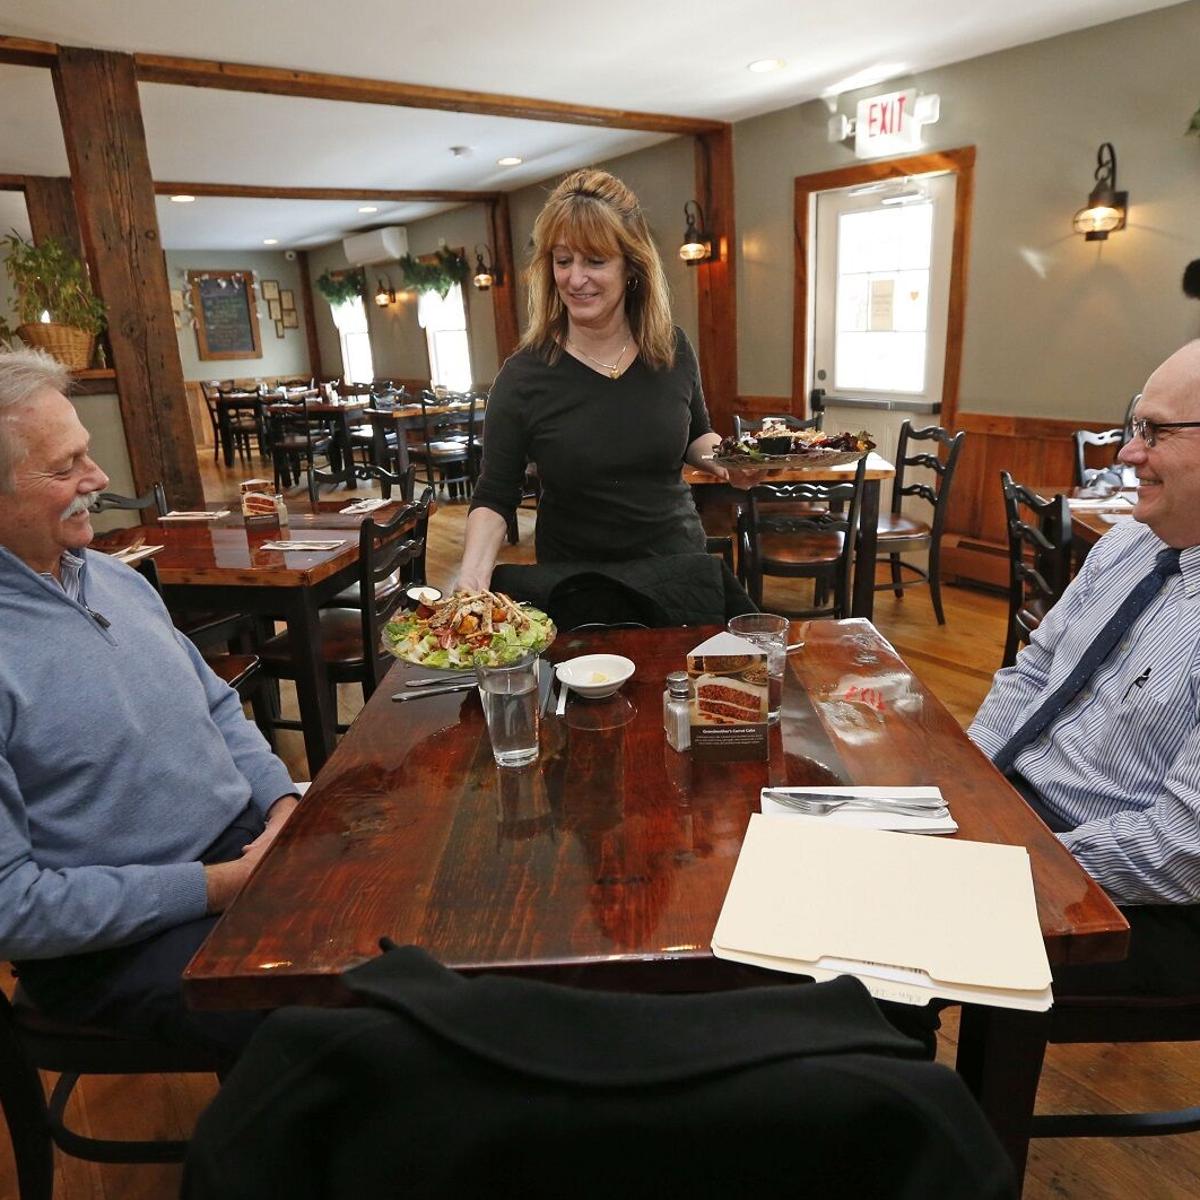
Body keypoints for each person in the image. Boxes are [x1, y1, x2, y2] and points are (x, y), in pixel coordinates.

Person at [0, 348, 299, 1062]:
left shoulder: (113, 577)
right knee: (327, 1016)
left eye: (88, 454)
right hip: (117, 945)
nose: (98, 481)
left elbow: (221, 709)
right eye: (66, 467)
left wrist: (284, 805)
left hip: (240, 850)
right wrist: (221, 887)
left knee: (399, 925)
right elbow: (16, 909)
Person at [969, 339, 1200, 994]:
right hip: (1021, 811)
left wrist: (1011, 861)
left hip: (1139, 898)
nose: (1128, 455)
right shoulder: (1127, 542)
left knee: (889, 932)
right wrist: (966, 786)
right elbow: (1034, 672)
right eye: (1134, 428)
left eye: (1153, 432)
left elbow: (1185, 851)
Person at [459, 168, 726, 591]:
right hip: (578, 581)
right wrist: (471, 579)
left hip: (677, 569)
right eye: (563, 261)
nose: (575, 278)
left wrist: (735, 460)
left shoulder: (671, 348)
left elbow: (698, 436)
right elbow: (494, 495)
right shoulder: (524, 375)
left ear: (631, 266)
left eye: (595, 261)